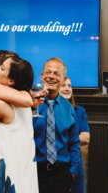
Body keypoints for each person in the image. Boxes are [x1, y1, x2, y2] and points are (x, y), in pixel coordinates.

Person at [0, 57, 38, 193]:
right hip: (24, 174)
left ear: (11, 81)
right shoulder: (23, 104)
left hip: (2, 170)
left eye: (2, 68)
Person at [32, 57, 81, 193]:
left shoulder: (68, 108)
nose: (51, 77)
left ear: (64, 79)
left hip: (62, 175)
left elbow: (74, 143)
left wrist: (72, 172)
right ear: (42, 76)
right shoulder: (30, 104)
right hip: (34, 172)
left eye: (56, 73)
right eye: (48, 72)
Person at [59, 77, 90, 193]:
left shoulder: (79, 111)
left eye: (69, 86)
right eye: (63, 86)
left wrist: (59, 138)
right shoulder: (48, 109)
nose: (67, 89)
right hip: (57, 163)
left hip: (75, 162)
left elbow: (86, 138)